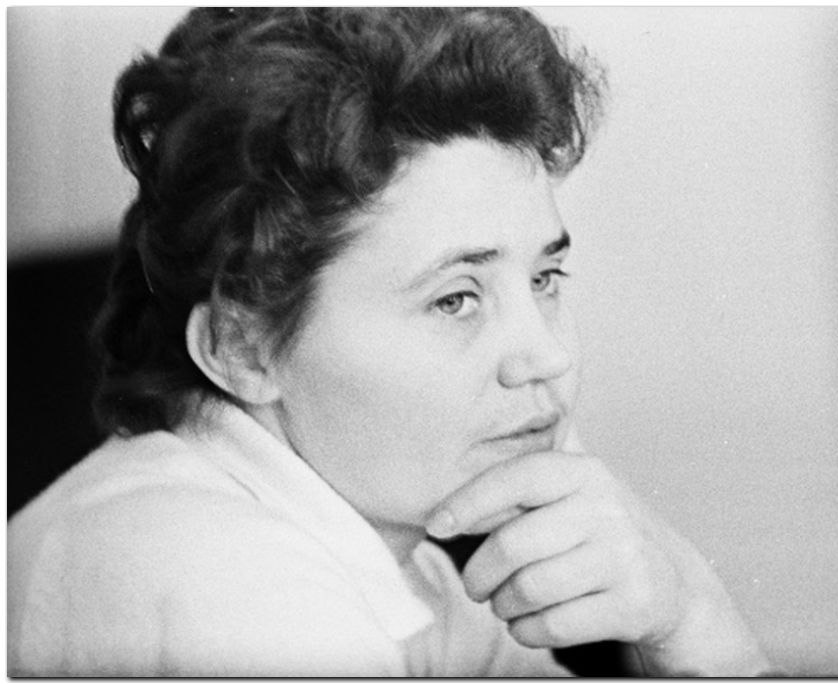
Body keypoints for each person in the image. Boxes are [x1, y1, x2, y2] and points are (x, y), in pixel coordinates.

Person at [7, 7, 769, 676]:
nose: (547, 356)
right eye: (455, 299)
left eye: (543, 279)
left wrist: (689, 615)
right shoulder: (233, 585)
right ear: (245, 347)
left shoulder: (400, 562)